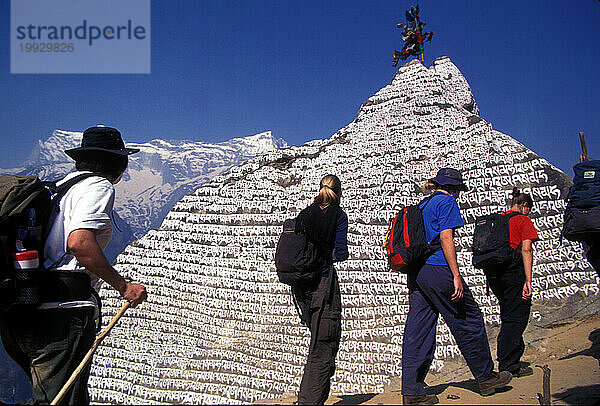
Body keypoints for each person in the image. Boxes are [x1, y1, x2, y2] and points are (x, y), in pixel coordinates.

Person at [0, 126, 147, 404]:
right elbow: (80, 243)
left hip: (20, 308)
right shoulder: (97, 187)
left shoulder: (57, 189)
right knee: (61, 400)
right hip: (60, 313)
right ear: (117, 163)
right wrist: (123, 286)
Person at [401, 168, 512, 405]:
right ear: (454, 189)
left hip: (417, 273)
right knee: (468, 318)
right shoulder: (446, 201)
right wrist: (456, 275)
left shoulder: (422, 204)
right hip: (438, 268)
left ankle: (412, 391)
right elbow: (446, 238)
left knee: (418, 330)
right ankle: (486, 377)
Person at [294, 174, 349, 405]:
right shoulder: (338, 215)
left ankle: (307, 398)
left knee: (316, 340)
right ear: (339, 192)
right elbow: (340, 252)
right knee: (324, 344)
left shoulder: (305, 214)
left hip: (301, 287)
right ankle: (310, 401)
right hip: (323, 284)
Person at [486, 188, 539, 378]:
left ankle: (508, 358)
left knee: (508, 314)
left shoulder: (498, 219)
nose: (528, 212)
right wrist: (528, 280)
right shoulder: (522, 220)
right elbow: (526, 250)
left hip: (493, 275)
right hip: (513, 274)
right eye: (529, 209)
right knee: (516, 317)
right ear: (524, 206)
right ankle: (509, 365)